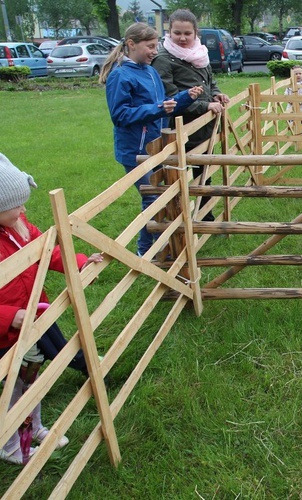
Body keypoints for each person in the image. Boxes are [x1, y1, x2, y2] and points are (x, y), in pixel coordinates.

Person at [0, 153, 104, 464]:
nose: (24, 208)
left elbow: (48, 253)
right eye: (17, 204)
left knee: (32, 380)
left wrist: (81, 262)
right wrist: (8, 316)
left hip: (32, 320)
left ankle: (34, 428)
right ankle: (10, 446)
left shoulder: (20, 226)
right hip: (6, 332)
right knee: (13, 389)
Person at [100, 22, 201, 257]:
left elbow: (164, 106)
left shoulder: (150, 71)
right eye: (150, 46)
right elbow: (120, 115)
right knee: (153, 199)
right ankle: (151, 250)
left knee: (157, 199)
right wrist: (157, 108)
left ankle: (149, 251)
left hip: (156, 148)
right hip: (135, 151)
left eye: (156, 46)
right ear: (132, 44)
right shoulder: (120, 76)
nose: (155, 51)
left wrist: (185, 97)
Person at [152, 9, 230, 223]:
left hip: (204, 127)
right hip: (182, 128)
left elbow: (209, 81)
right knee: (182, 175)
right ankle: (182, 220)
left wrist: (216, 93)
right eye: (177, 33)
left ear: (196, 33)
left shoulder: (199, 54)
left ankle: (205, 216)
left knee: (204, 170)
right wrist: (206, 105)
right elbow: (170, 98)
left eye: (187, 33)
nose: (183, 38)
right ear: (169, 32)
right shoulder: (164, 60)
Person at [284, 65, 302, 133]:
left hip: (301, 107)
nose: (298, 75)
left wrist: (299, 102)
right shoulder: (289, 85)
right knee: (292, 121)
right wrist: (290, 101)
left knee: (300, 121)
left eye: (300, 73)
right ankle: (295, 133)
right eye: (296, 74)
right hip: (291, 107)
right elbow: (286, 94)